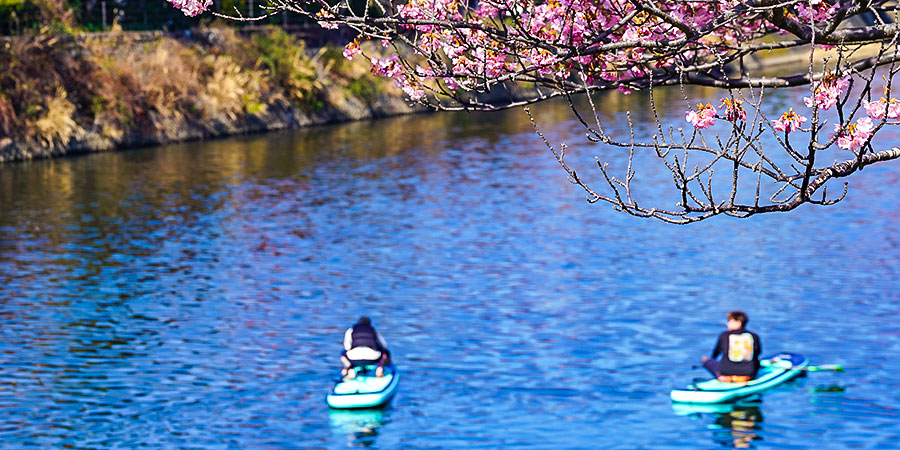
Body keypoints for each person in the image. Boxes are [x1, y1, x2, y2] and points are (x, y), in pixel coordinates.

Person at [701, 311, 761, 383]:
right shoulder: (754, 336)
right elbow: (758, 352)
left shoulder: (724, 335)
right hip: (749, 373)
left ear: (738, 322)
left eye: (729, 321)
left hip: (726, 372)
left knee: (706, 359)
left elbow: (716, 353)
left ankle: (721, 377)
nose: (727, 324)